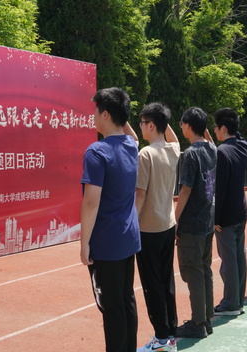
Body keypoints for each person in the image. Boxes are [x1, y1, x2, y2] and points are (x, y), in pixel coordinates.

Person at [80, 87, 141, 352]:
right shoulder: (130, 146)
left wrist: (84, 243)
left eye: (96, 111)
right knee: (126, 300)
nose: (93, 116)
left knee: (112, 307)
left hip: (107, 242)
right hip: (128, 237)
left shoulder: (97, 152)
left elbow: (91, 202)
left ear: (105, 114)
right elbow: (133, 135)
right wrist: (121, 112)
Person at [134, 103, 181, 352]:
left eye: (143, 123)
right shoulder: (173, 149)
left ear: (151, 125)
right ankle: (170, 334)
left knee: (152, 285)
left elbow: (140, 194)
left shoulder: (146, 154)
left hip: (148, 228)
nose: (140, 127)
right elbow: (173, 138)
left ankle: (161, 339)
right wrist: (162, 118)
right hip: (167, 224)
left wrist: (131, 223)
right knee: (166, 281)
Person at [175, 107, 217, 338]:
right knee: (204, 270)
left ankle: (198, 322)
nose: (181, 126)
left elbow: (185, 190)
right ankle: (207, 318)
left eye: (182, 123)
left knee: (193, 272)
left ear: (189, 126)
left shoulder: (191, 154)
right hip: (207, 219)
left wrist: (175, 220)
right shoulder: (212, 148)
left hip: (192, 222)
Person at [212, 108, 247, 316]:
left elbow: (220, 188)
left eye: (216, 127)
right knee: (239, 257)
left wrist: (215, 218)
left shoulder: (221, 151)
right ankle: (238, 300)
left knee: (229, 261)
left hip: (226, 215)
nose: (214, 130)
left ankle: (230, 303)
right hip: (240, 210)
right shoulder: (243, 145)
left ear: (224, 128)